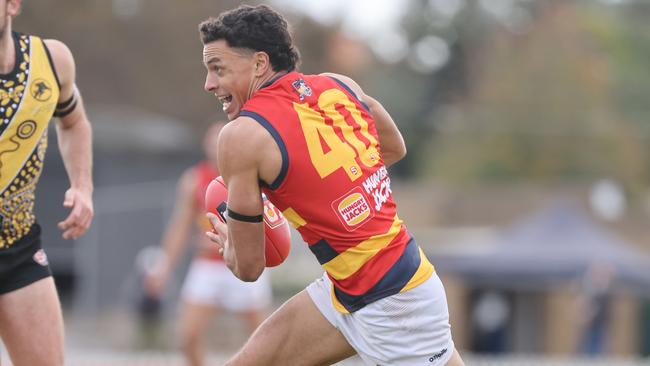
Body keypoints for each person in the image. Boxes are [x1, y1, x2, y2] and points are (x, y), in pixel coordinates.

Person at [200, 5, 464, 366]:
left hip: (396, 304)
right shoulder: (341, 85)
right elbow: (393, 147)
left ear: (260, 64)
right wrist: (326, 189)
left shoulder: (241, 137)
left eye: (218, 69)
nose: (209, 84)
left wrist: (232, 245)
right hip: (348, 287)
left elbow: (249, 269)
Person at [0, 1, 94, 365]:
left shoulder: (52, 60)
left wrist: (82, 186)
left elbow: (73, 122)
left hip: (19, 248)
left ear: (12, 5)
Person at [145, 122, 272, 366]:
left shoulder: (250, 177)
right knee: (187, 336)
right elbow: (180, 226)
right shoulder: (194, 180)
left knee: (263, 337)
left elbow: (269, 224)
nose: (216, 147)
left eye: (220, 141)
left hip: (243, 264)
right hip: (208, 266)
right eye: (212, 142)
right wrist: (162, 267)